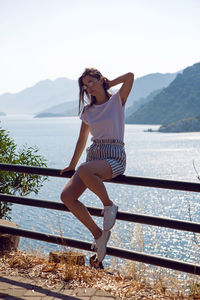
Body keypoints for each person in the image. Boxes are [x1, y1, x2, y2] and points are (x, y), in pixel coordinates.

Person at [60, 68, 134, 263]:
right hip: (93, 158)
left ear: (101, 79)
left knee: (85, 169)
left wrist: (110, 83)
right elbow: (81, 140)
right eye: (85, 86)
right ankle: (99, 235)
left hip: (115, 158)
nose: (89, 88)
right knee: (67, 196)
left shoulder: (117, 101)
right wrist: (72, 165)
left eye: (91, 82)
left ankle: (109, 206)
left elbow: (129, 76)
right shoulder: (88, 111)